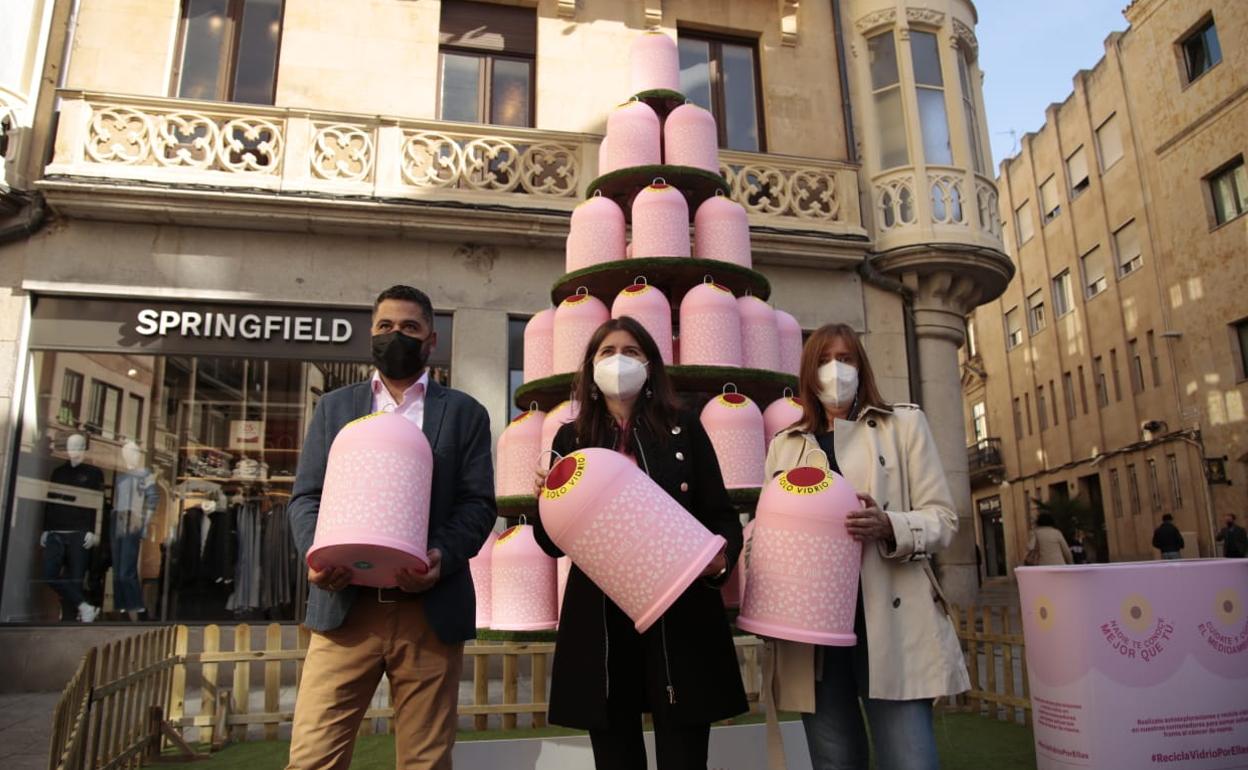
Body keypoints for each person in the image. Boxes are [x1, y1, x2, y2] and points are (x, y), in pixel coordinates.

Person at [286, 285, 497, 770]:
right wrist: (316, 555)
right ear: (371, 334)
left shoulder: (464, 413)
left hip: (428, 613)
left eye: (409, 328)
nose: (395, 336)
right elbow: (306, 497)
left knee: (425, 761)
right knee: (313, 757)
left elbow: (478, 504)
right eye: (385, 326)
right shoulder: (335, 408)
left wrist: (441, 555)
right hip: (344, 610)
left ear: (431, 341)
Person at [532, 316, 747, 770]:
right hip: (602, 625)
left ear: (650, 366)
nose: (618, 361)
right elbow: (550, 544)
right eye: (607, 353)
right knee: (615, 757)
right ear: (590, 369)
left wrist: (719, 562)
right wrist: (545, 499)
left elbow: (722, 517)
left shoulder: (685, 428)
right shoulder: (569, 438)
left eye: (631, 352)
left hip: (682, 616)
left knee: (685, 757)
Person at [763, 323, 968, 770]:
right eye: (822, 360)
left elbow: (943, 519)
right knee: (835, 762)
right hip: (813, 633)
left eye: (845, 358)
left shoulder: (904, 425)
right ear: (806, 373)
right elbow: (765, 534)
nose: (835, 370)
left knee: (910, 760)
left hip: (889, 623)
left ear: (861, 366)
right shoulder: (785, 445)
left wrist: (889, 524)